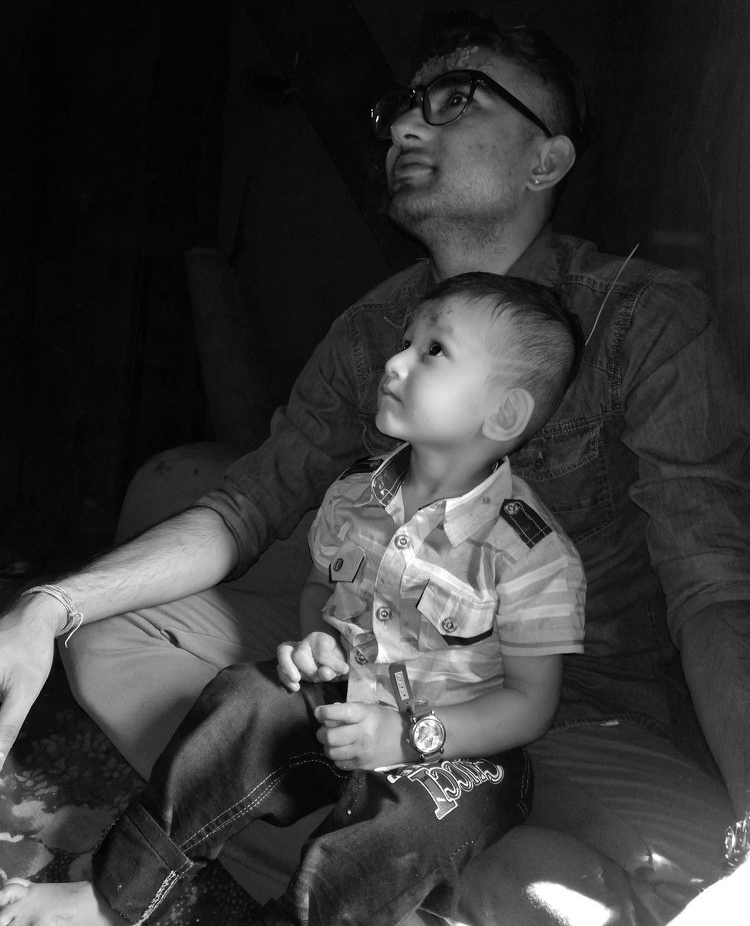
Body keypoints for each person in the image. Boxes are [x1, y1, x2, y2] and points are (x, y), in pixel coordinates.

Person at [0, 11, 748, 925]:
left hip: (579, 711)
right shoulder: (372, 328)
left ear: (545, 160)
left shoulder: (642, 320)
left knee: (699, 877)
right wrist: (49, 605)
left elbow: (712, 584)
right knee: (114, 640)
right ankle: (380, 874)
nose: (404, 127)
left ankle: (406, 870)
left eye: (457, 99)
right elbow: (250, 501)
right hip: (384, 666)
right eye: (403, 107)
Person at [0, 273, 586, 925]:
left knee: (400, 833)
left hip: (457, 745)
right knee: (240, 702)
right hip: (348, 694)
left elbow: (531, 704)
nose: (395, 362)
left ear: (503, 415)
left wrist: (409, 738)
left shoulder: (529, 551)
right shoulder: (356, 495)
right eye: (406, 341)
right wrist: (320, 643)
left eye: (434, 350)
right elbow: (320, 589)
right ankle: (116, 894)